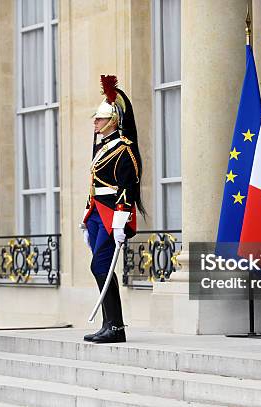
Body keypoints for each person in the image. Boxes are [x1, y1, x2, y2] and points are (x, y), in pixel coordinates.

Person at [80, 75, 145, 343]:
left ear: (114, 121)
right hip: (97, 214)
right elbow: (95, 184)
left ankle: (115, 326)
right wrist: (86, 216)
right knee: (100, 267)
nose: (95, 122)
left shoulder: (124, 149)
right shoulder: (103, 147)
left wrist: (120, 221)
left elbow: (128, 186)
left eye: (100, 118)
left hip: (112, 216)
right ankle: (111, 324)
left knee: (100, 265)